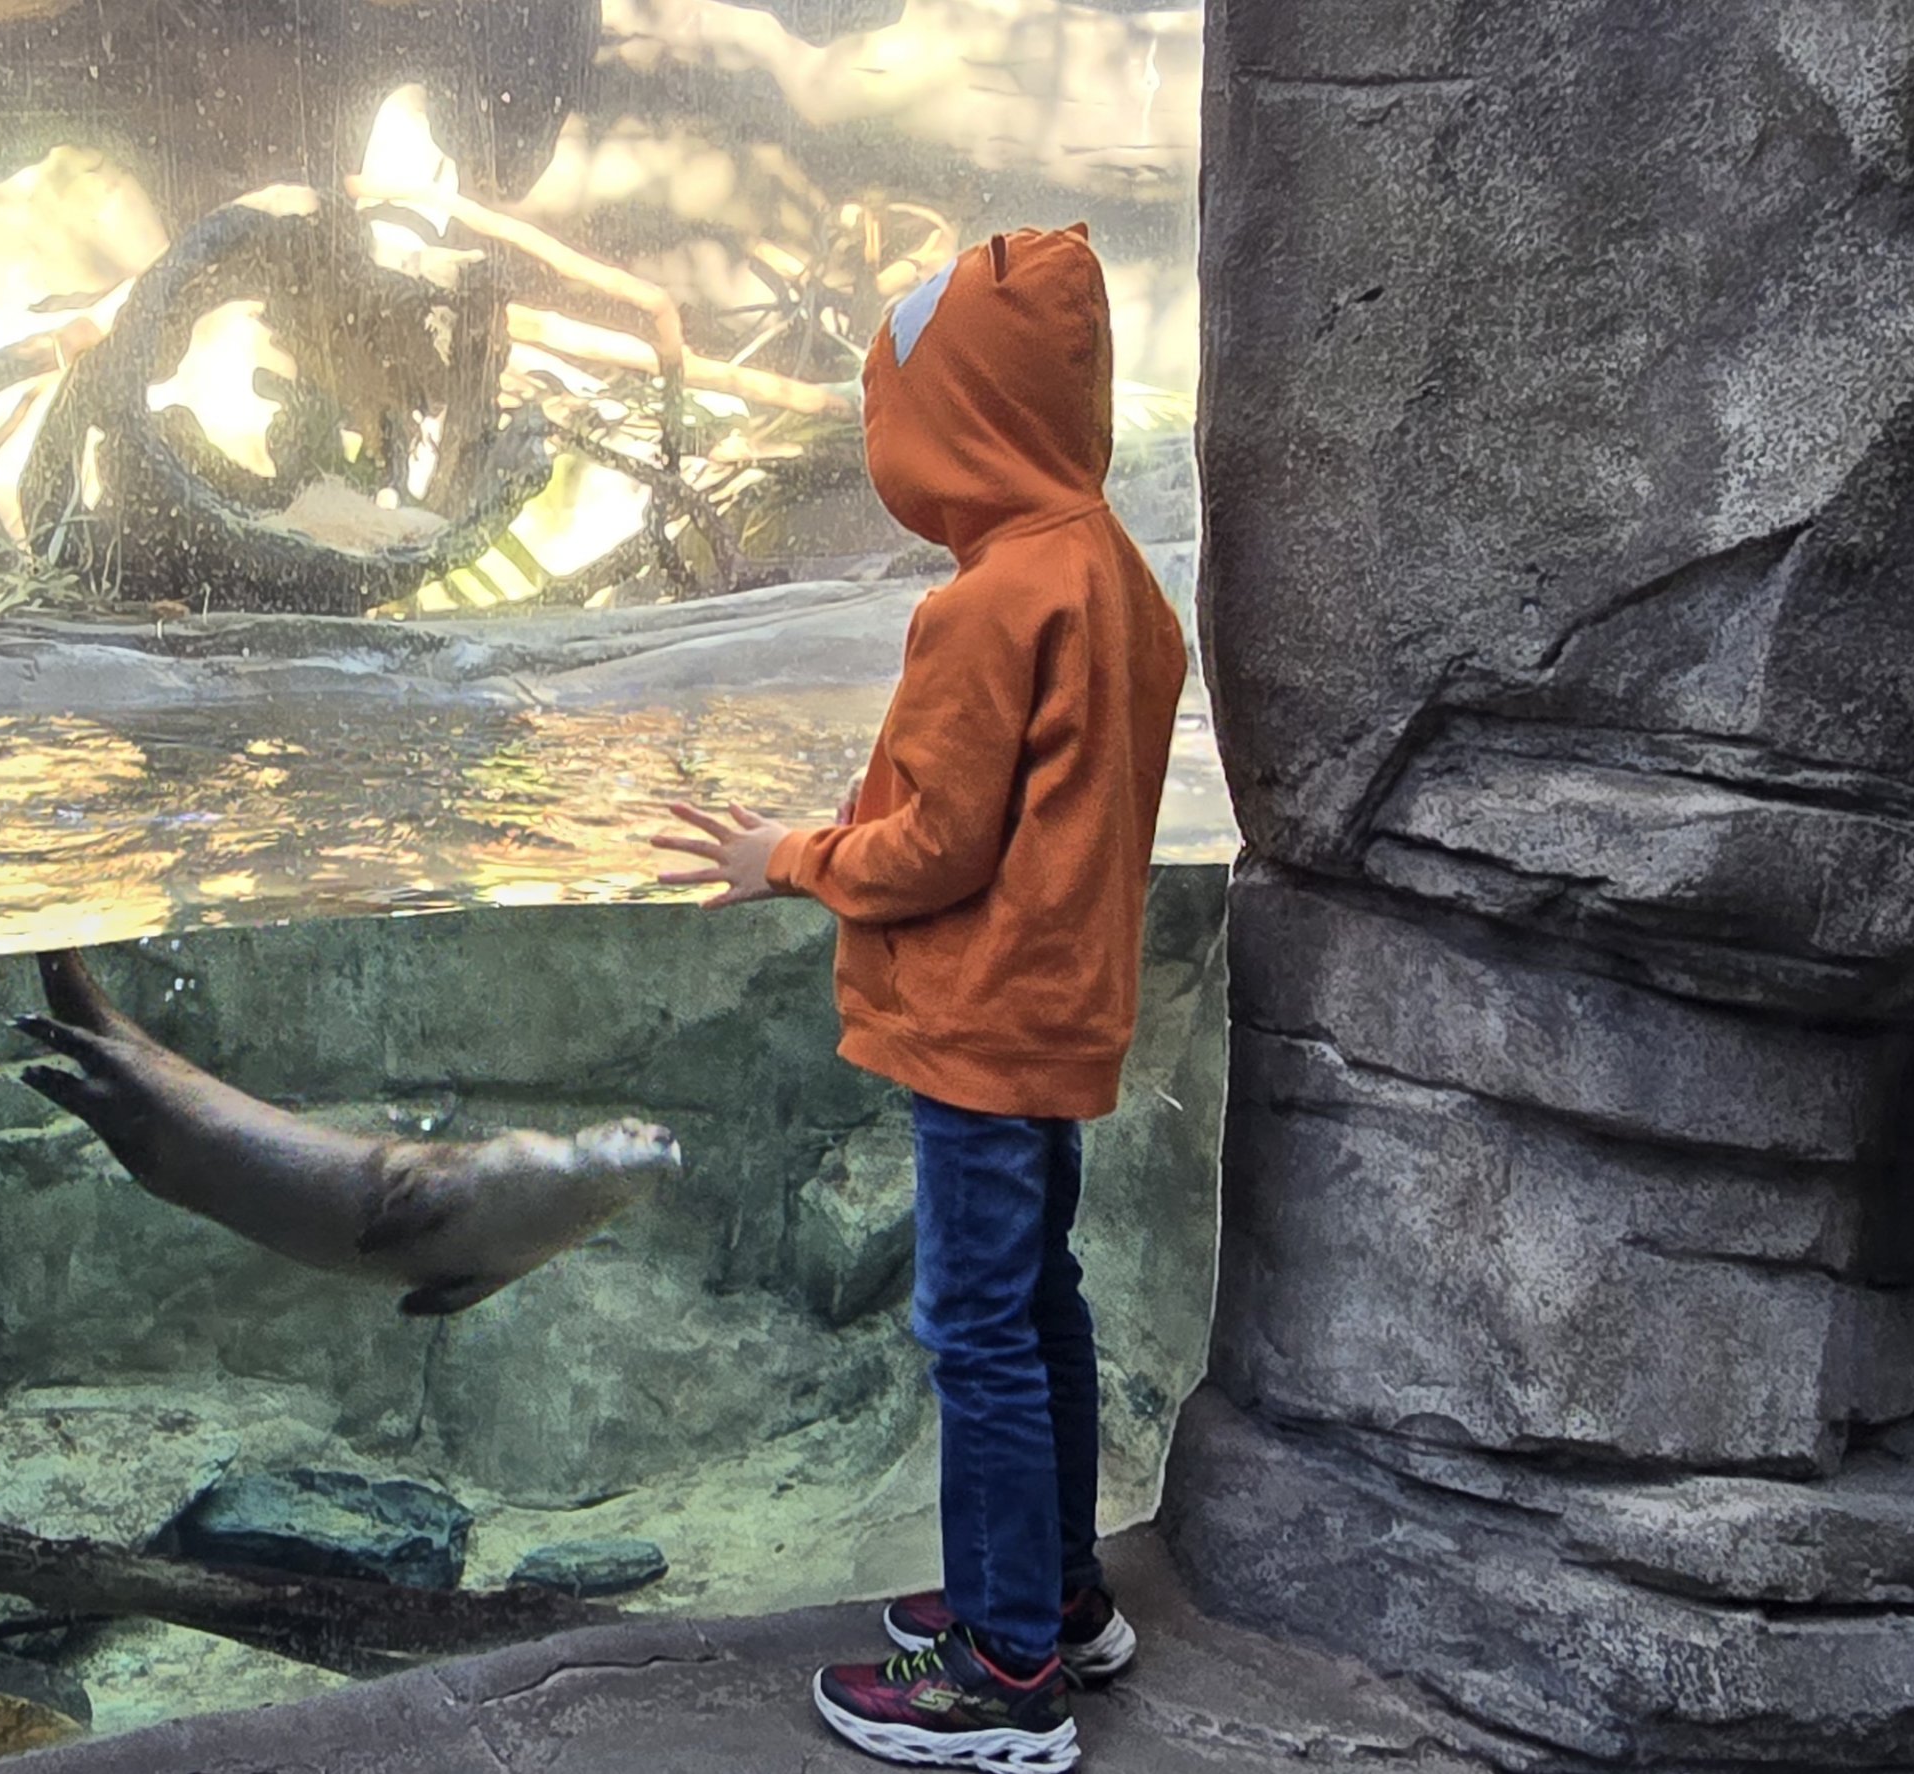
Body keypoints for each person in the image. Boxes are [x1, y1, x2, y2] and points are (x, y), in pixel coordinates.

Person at [653, 223, 1187, 1774]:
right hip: (1061, 1012)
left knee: (974, 1327)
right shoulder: (1112, 573)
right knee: (1039, 1301)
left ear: (957, 418)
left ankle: (1004, 1671)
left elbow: (941, 846)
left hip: (978, 1026)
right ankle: (1056, 1594)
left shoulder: (988, 603)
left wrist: (787, 855)